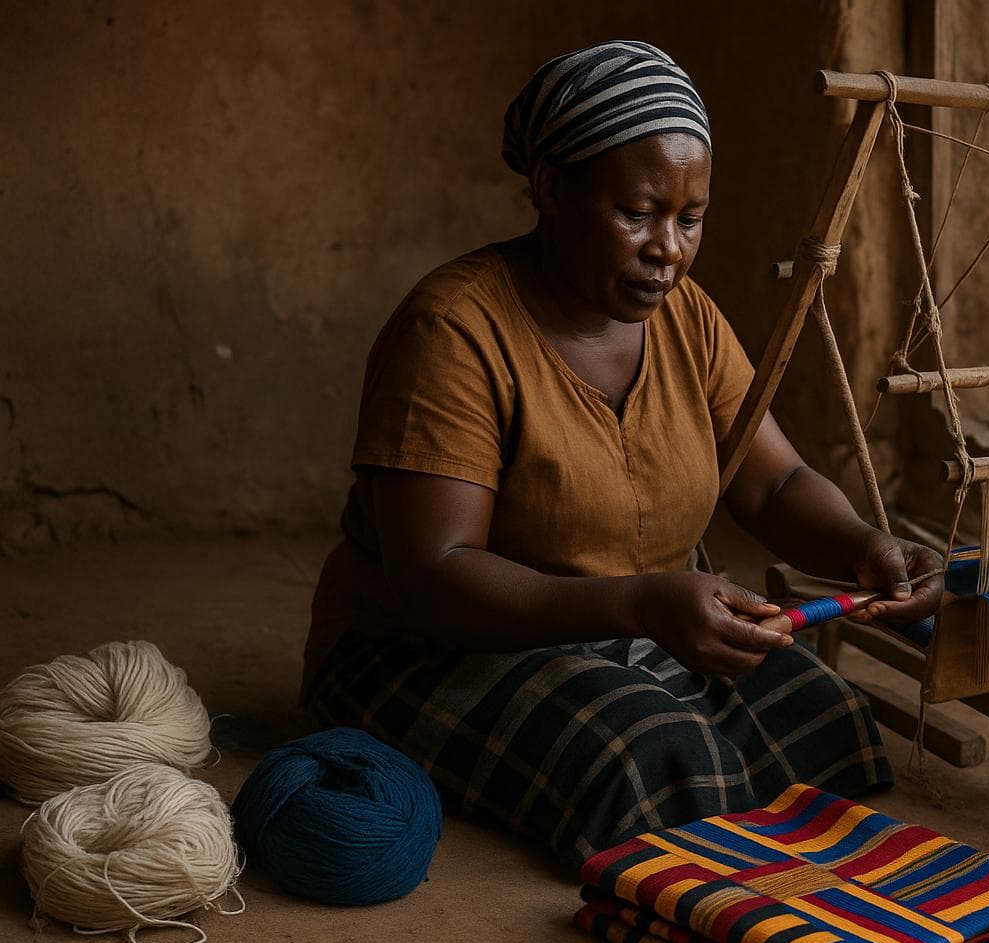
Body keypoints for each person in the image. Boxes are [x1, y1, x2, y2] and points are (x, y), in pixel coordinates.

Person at [301, 40, 943, 867]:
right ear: (552, 190)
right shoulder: (454, 331)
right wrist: (641, 607)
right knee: (650, 758)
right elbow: (438, 578)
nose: (667, 248)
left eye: (690, 218)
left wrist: (864, 546)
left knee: (823, 721)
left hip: (626, 625)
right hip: (436, 645)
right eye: (636, 214)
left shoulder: (689, 321)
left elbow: (775, 482)